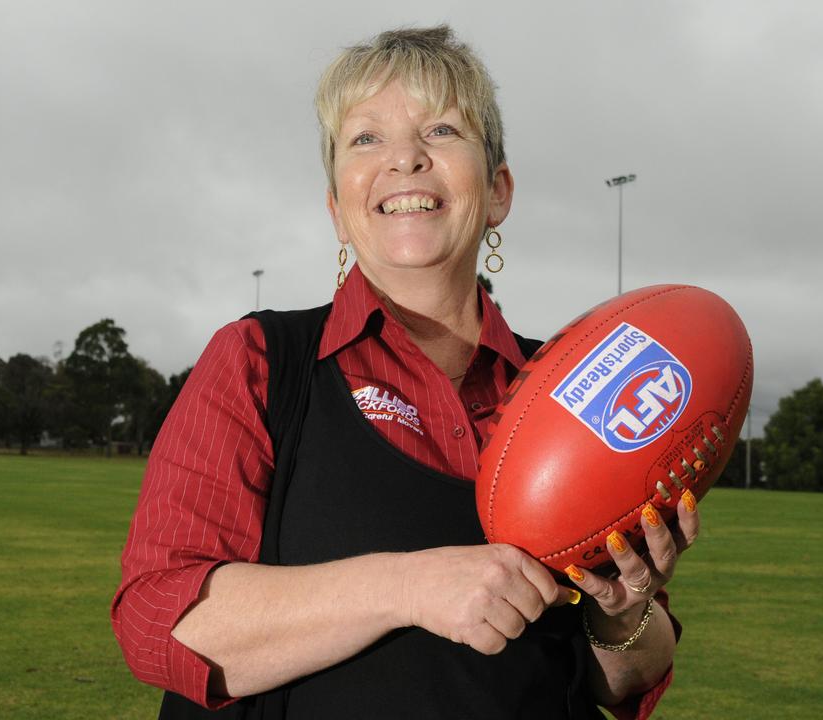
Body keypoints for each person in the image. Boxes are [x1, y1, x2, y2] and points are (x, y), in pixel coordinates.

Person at [112, 25, 699, 720]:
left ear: (499, 190)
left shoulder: (577, 387)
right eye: (366, 139)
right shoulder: (260, 360)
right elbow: (162, 620)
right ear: (338, 207)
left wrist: (622, 609)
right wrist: (411, 588)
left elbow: (622, 679)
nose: (405, 160)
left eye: (443, 130)